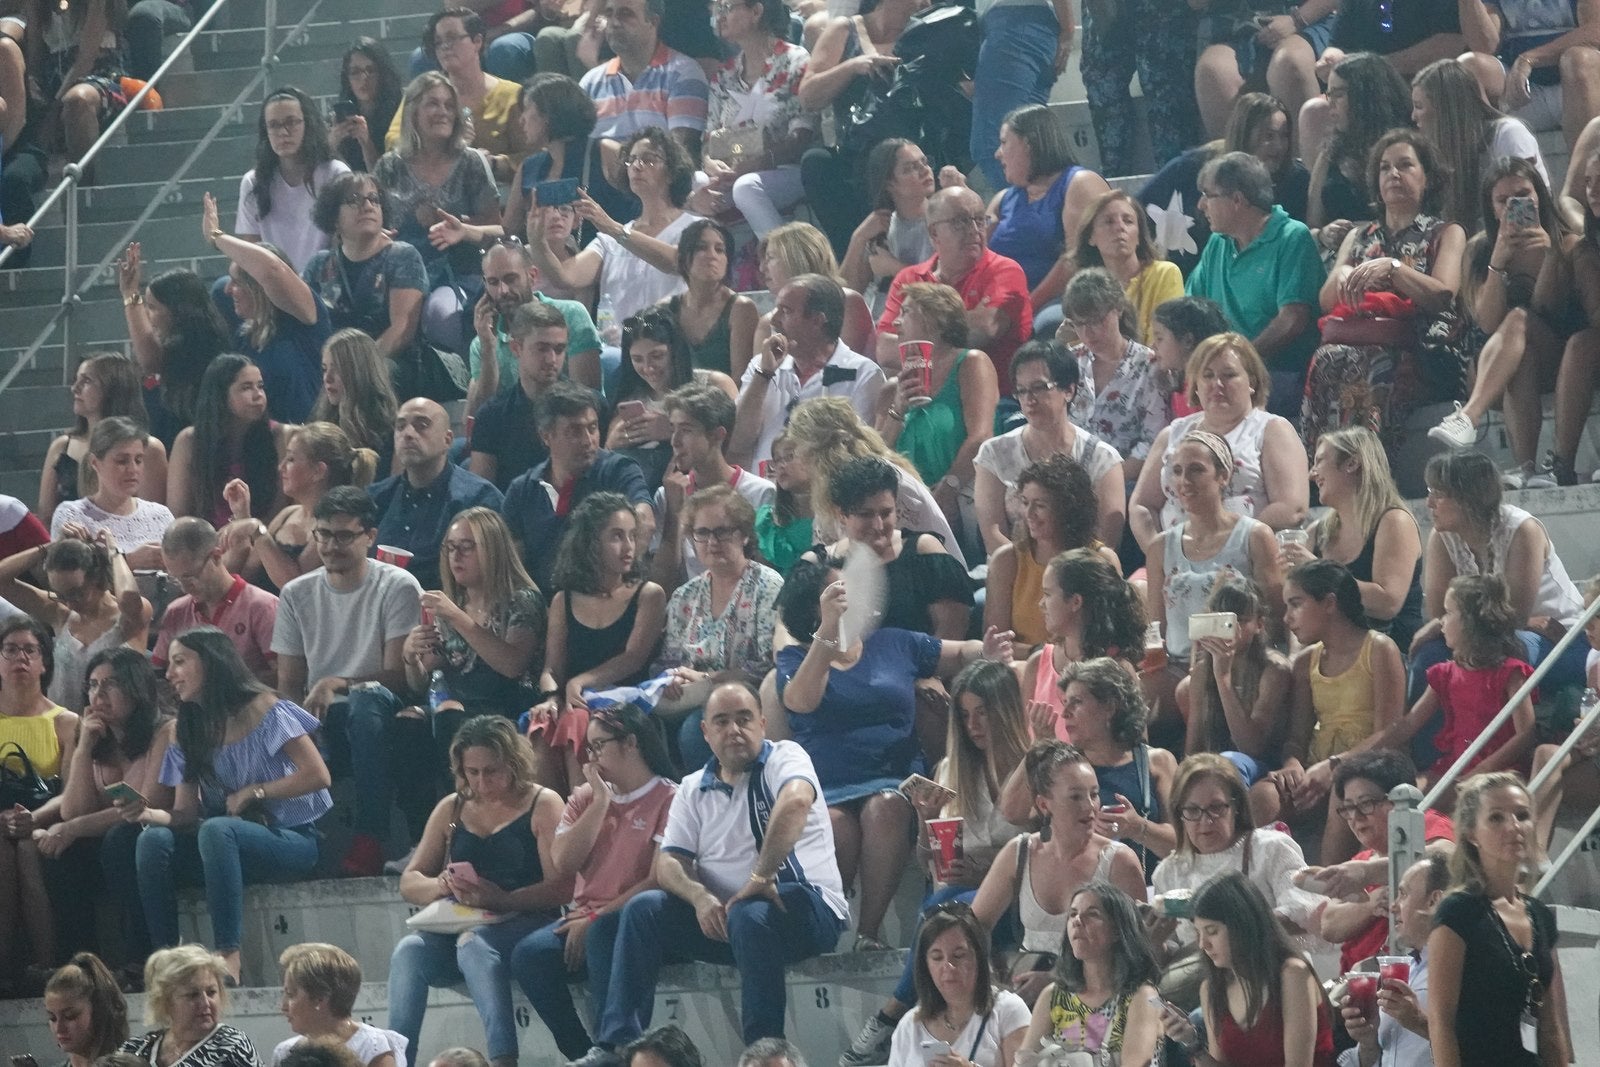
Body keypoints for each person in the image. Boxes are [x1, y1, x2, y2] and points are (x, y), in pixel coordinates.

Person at [567, 678, 848, 1067]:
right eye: (721, 721)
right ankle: (617, 1046)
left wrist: (760, 878)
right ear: (705, 731)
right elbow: (669, 861)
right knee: (645, 908)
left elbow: (796, 802)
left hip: (805, 908)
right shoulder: (691, 787)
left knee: (750, 914)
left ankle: (762, 1053)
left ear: (762, 724)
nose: (734, 730)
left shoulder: (786, 757)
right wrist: (699, 897)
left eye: (744, 719)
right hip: (728, 920)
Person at [776, 559, 1015, 949]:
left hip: (893, 779)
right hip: (830, 786)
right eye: (838, 593)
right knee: (835, 828)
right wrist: (826, 632)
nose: (850, 597)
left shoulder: (893, 643)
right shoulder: (794, 658)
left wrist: (984, 650)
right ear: (812, 607)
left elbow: (958, 654)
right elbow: (801, 702)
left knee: (885, 808)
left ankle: (868, 935)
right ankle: (823, 937)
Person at [842, 659, 1032, 1066]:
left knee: (940, 908)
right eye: (964, 715)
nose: (974, 724)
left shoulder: (1032, 766)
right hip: (955, 893)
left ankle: (889, 1013)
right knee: (942, 901)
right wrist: (927, 821)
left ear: (1007, 711)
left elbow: (1041, 849)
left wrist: (987, 873)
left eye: (983, 712)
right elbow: (931, 862)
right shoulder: (951, 768)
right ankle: (902, 1013)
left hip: (1017, 895)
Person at [126, 626, 332, 985]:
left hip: (288, 839)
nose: (170, 674)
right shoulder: (186, 728)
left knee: (218, 828)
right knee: (152, 840)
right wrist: (147, 814)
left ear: (211, 662)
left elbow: (318, 775)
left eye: (179, 662)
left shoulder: (265, 708)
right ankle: (165, 958)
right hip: (221, 848)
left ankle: (228, 954)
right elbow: (186, 812)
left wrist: (257, 791)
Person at [390, 716, 571, 1067]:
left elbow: (561, 888)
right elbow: (409, 882)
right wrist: (441, 884)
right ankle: (398, 1060)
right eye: (472, 772)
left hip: (527, 919)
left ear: (513, 764)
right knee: (408, 950)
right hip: (464, 918)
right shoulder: (453, 807)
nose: (481, 782)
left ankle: (503, 1058)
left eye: (492, 771)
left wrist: (501, 899)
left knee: (474, 943)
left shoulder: (543, 803)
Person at [511, 705, 678, 1059]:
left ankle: (611, 1048)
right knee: (529, 955)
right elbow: (563, 863)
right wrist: (601, 799)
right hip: (584, 913)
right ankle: (583, 1053)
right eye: (588, 748)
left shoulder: (670, 797)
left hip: (634, 917)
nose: (591, 757)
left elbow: (657, 880)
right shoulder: (586, 797)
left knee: (603, 933)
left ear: (631, 742)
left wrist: (595, 919)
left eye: (599, 745)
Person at [271, 486, 422, 877]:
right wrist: (296, 728)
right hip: (322, 714)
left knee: (366, 702)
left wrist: (336, 682)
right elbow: (289, 682)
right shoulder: (296, 593)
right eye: (322, 534)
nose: (330, 545)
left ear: (370, 537)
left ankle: (371, 836)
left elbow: (400, 676)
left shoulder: (397, 585)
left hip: (381, 707)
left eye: (343, 536)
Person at [1300, 128, 1468, 456]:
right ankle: (1326, 468)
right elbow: (1325, 301)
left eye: (1405, 165)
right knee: (1327, 358)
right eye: (1385, 167)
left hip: (1423, 350)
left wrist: (1394, 269)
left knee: (1374, 362)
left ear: (1428, 177)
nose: (1393, 173)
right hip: (1358, 340)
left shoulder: (1446, 232)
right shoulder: (1359, 236)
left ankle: (1367, 468)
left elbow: (1442, 295)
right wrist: (1344, 275)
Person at [1427, 158, 1583, 488]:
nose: (1516, 204)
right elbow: (1485, 322)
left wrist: (1550, 255)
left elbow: (1549, 309)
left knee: (1519, 319)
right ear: (1493, 207)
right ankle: (1526, 468)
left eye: (1524, 194)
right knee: (1518, 351)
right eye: (1503, 200)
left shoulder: (1566, 244)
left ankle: (1469, 416)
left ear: (1540, 195)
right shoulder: (1479, 250)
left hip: (1560, 360)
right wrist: (1498, 262)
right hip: (1494, 367)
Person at [970, 741, 1147, 1003]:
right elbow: (974, 926)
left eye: (1094, 794)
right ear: (1044, 804)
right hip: (1026, 997)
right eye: (1076, 796)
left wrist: (1056, 979)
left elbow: (1136, 950)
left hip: (1100, 999)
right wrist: (992, 975)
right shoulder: (1019, 852)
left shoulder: (1119, 861)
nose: (1090, 806)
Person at [1407, 450, 1586, 703]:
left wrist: (1449, 622)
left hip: (1560, 637)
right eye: (1429, 491)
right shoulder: (1443, 536)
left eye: (1438, 494)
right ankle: (1425, 742)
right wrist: (1438, 625)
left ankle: (1506, 738)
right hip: (1492, 634)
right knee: (1429, 655)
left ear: (1467, 498)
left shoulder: (1522, 530)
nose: (1429, 503)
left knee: (1506, 651)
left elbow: (1512, 617)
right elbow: (1441, 614)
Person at [1150, 755, 1324, 1009]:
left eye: (1216, 808)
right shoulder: (1170, 871)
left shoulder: (1270, 849)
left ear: (1237, 807)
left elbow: (1306, 912)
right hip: (1202, 994)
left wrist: (1236, 929)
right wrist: (1155, 942)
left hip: (1274, 982)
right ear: (1179, 815)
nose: (1205, 821)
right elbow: (1174, 958)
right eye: (1193, 811)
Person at [1427, 771, 1568, 1067]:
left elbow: (1551, 1025)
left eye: (1522, 815)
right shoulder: (1458, 912)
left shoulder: (1539, 915)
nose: (1513, 826)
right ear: (1470, 834)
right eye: (1496, 818)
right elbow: (1441, 1021)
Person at [47, 650, 175, 972]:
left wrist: (74, 827)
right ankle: (80, 967)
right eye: (92, 685)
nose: (98, 695)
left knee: (120, 838)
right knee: (63, 854)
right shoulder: (96, 736)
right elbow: (73, 810)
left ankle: (139, 958)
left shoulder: (165, 731)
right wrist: (84, 747)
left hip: (160, 833)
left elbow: (147, 803)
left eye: (110, 684)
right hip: (111, 841)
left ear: (136, 688)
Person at [529, 492, 666, 794]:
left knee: (577, 720)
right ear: (590, 542)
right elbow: (552, 666)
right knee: (542, 722)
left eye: (632, 535)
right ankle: (554, 822)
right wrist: (551, 697)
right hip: (573, 700)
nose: (628, 546)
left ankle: (584, 816)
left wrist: (580, 682)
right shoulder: (564, 599)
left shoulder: (648, 594)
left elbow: (633, 658)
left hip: (627, 701)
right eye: (616, 536)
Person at [1144, 431, 1283, 726]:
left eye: (1196, 470)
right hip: (1179, 665)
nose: (1184, 481)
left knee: (1190, 691)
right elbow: (1156, 628)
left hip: (1238, 667)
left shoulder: (1255, 536)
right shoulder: (1160, 546)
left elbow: (1274, 617)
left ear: (1223, 476)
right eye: (1177, 471)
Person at [1270, 560, 1406, 861]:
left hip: (1371, 767)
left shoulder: (1379, 649)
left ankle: (1328, 888)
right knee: (1263, 795)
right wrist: (1293, 763)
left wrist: (1335, 766)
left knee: (1344, 789)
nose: (1287, 618)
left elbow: (1390, 732)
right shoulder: (1306, 662)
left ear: (1329, 602)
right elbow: (1297, 735)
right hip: (1319, 767)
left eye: (1296, 604)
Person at [1129, 333, 1309, 548]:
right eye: (1207, 375)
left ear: (1251, 382)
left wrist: (1222, 544)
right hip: (1174, 558)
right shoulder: (1172, 434)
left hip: (1249, 556)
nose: (1217, 384)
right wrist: (1158, 552)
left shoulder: (1272, 429)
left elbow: (1292, 508)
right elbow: (1142, 506)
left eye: (1229, 375)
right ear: (1195, 384)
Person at [1185, 152, 1326, 417]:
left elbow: (1292, 320)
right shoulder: (1218, 243)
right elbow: (1191, 309)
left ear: (1237, 200)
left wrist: (1241, 359)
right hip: (1225, 371)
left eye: (1208, 195)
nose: (1201, 205)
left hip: (1280, 372)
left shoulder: (1292, 237)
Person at [373, 72, 504, 356]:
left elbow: (498, 230)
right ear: (413, 111)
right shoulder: (389, 166)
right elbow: (374, 226)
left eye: (448, 105)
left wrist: (463, 231)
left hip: (455, 272)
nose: (443, 112)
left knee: (439, 315)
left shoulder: (471, 162)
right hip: (397, 274)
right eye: (433, 103)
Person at [401, 507, 546, 756]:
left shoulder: (522, 600)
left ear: (493, 550)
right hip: (455, 705)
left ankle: (465, 794)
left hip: (505, 708)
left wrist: (458, 617)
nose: (455, 555)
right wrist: (411, 657)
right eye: (450, 547)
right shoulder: (453, 605)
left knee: (448, 716)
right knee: (408, 720)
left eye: (466, 547)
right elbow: (421, 684)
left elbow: (512, 665)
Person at [527, 127, 699, 333]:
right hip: (615, 351)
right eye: (632, 160)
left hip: (668, 347)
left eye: (649, 159)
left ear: (672, 172)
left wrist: (613, 228)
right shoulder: (607, 241)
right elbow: (565, 276)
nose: (637, 165)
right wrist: (537, 241)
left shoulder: (695, 227)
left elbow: (676, 262)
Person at [1157, 871, 1337, 1067]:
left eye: (1212, 931)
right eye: (1198, 933)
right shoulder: (1211, 989)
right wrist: (1192, 1042)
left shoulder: (1292, 974)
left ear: (1243, 927)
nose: (1203, 944)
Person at [1385, 575, 1537, 797]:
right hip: (1455, 767)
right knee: (1399, 797)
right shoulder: (1445, 674)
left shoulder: (1511, 673)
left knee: (1424, 803)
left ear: (1471, 621)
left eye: (1448, 612)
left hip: (1498, 773)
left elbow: (1526, 734)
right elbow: (1408, 724)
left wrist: (1479, 772)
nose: (1441, 621)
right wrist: (1359, 755)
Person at [798, 3, 928, 256]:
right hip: (856, 153)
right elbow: (808, 97)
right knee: (816, 163)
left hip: (914, 150)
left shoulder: (926, 29)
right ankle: (853, 257)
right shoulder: (845, 29)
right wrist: (854, 66)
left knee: (905, 163)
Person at [877, 186, 1033, 396]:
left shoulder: (1004, 270)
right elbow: (886, 350)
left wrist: (917, 331)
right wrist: (959, 325)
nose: (974, 230)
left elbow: (984, 331)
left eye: (979, 219)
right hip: (925, 398)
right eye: (960, 221)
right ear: (934, 233)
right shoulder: (909, 279)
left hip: (994, 398)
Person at [501, 382, 656, 592]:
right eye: (574, 431)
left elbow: (644, 521)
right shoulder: (522, 490)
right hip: (542, 606)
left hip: (607, 597)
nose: (588, 440)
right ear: (546, 436)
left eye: (592, 428)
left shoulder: (618, 470)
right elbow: (512, 565)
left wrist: (614, 586)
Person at [975, 341, 1125, 555]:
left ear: (1069, 390)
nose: (1029, 400)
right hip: (1015, 572)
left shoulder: (1102, 458)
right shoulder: (994, 454)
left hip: (1081, 574)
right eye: (1021, 391)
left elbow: (1105, 541)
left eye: (1039, 388)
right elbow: (993, 535)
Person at [1280, 427, 1424, 650]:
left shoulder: (1394, 521)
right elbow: (1300, 607)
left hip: (1391, 657)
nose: (1312, 473)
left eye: (1319, 461)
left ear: (1351, 464)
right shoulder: (1316, 532)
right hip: (1330, 659)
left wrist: (1318, 571)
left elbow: (1388, 604)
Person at [1312, 750, 1454, 975]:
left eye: (1366, 803)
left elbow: (1445, 857)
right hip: (1359, 984)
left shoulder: (1426, 824)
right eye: (1348, 807)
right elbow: (1329, 924)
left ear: (1397, 800)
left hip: (1416, 975)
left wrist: (1369, 873)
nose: (1356, 817)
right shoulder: (1361, 859)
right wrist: (1372, 903)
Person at [300, 173, 439, 403]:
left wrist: (358, 370)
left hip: (390, 359)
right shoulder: (319, 265)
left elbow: (402, 330)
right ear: (334, 217)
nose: (367, 206)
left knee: (381, 376)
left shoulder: (402, 256)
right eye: (355, 199)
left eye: (374, 199)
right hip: (334, 363)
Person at [1139, 93, 1311, 278]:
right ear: (1244, 134)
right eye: (1268, 136)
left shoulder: (1296, 181)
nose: (1279, 146)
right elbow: (1135, 210)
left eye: (1284, 136)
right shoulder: (1192, 166)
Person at [802, 454, 973, 639]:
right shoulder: (817, 563)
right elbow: (787, 634)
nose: (878, 525)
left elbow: (952, 630)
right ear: (842, 515)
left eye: (886, 513)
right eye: (865, 514)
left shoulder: (924, 552)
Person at [730, 275, 886, 470]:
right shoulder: (760, 366)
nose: (774, 319)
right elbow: (738, 440)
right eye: (775, 308)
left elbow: (861, 454)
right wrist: (764, 375)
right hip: (765, 491)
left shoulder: (864, 374)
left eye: (785, 311)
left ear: (817, 321)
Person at [972, 104, 1110, 321]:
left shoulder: (1080, 183)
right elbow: (976, 254)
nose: (998, 154)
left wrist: (1028, 305)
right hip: (1002, 301)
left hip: (1063, 298)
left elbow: (1076, 259)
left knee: (1050, 321)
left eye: (1004, 142)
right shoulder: (1002, 200)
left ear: (1028, 144)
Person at [202, 193, 332, 424]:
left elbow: (271, 268)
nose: (227, 290)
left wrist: (216, 237)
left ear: (259, 287)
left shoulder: (303, 317)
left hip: (308, 439)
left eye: (237, 282)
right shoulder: (245, 335)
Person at [876, 281, 999, 523]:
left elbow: (982, 436)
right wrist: (898, 410)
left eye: (906, 312)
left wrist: (949, 486)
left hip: (961, 492)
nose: (896, 322)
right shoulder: (892, 389)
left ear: (936, 319)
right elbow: (876, 455)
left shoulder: (971, 363)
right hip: (903, 504)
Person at [695, 0, 817, 239]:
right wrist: (710, 161)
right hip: (735, 170)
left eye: (726, 7)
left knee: (747, 188)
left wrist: (755, 159)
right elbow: (709, 141)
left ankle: (787, 262)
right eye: (716, 9)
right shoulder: (724, 74)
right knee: (699, 181)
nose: (718, 16)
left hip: (787, 169)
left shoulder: (795, 59)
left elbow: (801, 136)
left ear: (756, 11)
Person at [653, 485, 782, 704]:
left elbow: (769, 666)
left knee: (693, 730)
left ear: (744, 535)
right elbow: (667, 662)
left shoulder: (769, 586)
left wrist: (707, 680)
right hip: (685, 700)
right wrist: (671, 680)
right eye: (702, 533)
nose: (712, 542)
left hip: (744, 701)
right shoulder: (685, 595)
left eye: (722, 531)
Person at [0, 615, 76, 985]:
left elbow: (75, 793)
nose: (21, 658)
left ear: (45, 662)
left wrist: (34, 817)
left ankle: (45, 966)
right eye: (10, 649)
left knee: (27, 847)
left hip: (46, 817)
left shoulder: (67, 722)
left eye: (30, 650)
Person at [578, 0, 709, 214]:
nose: (614, 22)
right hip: (598, 194)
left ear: (653, 21)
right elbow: (576, 151)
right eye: (609, 14)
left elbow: (679, 152)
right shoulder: (591, 82)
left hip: (656, 190)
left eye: (625, 14)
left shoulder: (683, 73)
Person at [1014, 883, 1163, 1067]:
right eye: (1073, 914)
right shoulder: (1054, 995)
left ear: (1118, 931)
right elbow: (1024, 1062)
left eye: (1093, 914)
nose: (1077, 920)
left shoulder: (1144, 996)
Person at [219, 421, 376, 595]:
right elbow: (248, 572)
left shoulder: (333, 525)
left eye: (291, 459)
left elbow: (295, 583)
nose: (281, 467)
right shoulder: (288, 514)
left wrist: (257, 530)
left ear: (318, 471)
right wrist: (242, 515)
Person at [0, 534, 150, 713]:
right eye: (61, 595)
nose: (69, 603)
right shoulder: (60, 615)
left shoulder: (127, 618)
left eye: (76, 593)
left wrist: (114, 552)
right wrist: (52, 547)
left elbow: (128, 596)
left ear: (96, 578)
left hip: (117, 731)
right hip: (64, 729)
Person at [370, 398, 504, 592]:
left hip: (449, 611)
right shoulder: (376, 497)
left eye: (421, 425)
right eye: (400, 427)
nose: (408, 434)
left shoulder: (478, 499)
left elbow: (492, 580)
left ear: (447, 440)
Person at [985, 455, 1114, 653]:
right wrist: (1044, 656)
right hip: (1020, 669)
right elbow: (996, 644)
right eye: (1025, 502)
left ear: (1068, 509)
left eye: (1040, 505)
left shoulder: (1101, 560)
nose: (1029, 514)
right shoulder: (1006, 560)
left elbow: (1111, 637)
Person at [1337, 852, 1450, 1067]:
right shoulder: (1403, 970)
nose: (1393, 906)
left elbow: (1484, 1051)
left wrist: (1420, 1024)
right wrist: (1369, 1041)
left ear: (1434, 901)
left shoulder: (1465, 970)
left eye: (1403, 895)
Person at [467, 236, 602, 416]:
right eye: (493, 282)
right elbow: (478, 415)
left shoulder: (571, 315)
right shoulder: (481, 343)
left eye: (510, 279)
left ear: (532, 276)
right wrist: (488, 347)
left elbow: (588, 397)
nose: (502, 291)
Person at [1411, 57, 1547, 234]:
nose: (1413, 116)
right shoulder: (1441, 151)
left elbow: (1524, 216)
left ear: (1445, 110)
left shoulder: (1508, 134)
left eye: (1419, 106)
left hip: (1523, 241)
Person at [385, 9, 527, 178]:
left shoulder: (512, 95)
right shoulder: (421, 92)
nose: (444, 46)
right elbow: (393, 140)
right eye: (438, 42)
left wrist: (492, 163)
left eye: (452, 38)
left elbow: (533, 155)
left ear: (477, 41)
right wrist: (436, 143)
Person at [885, 904, 1031, 1067]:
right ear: (925, 965)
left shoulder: (1008, 1010)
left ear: (979, 957)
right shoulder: (910, 1025)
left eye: (959, 956)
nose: (948, 966)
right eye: (937, 958)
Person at [607, 308, 735, 491]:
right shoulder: (630, 400)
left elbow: (736, 446)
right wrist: (611, 445)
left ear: (675, 351)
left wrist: (672, 430)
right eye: (637, 359)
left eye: (657, 356)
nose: (648, 368)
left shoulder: (714, 384)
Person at [40, 352, 168, 529]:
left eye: (86, 381)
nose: (74, 388)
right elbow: (46, 516)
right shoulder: (61, 446)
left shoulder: (149, 448)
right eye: (77, 380)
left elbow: (151, 523)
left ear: (113, 388)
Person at [1020, 549, 1148, 725]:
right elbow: (1025, 742)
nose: (1041, 603)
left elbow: (1136, 745)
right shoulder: (1036, 665)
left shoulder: (1118, 670)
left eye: (1048, 594)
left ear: (1076, 602)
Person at [116, 253, 232, 447]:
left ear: (178, 310)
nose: (147, 315)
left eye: (153, 308)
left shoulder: (201, 342)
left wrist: (130, 296)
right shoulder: (175, 340)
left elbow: (150, 360)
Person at [1062, 268, 1165, 482]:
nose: (1088, 333)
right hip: (1068, 479)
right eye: (1079, 324)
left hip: (1125, 481)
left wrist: (1105, 482)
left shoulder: (1149, 365)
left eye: (1097, 321)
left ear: (1118, 309)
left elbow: (1152, 443)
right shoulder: (1069, 361)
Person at [1457, 0, 1600, 152]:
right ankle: (1478, 171)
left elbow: (1595, 31)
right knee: (1468, 68)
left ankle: (1583, 171)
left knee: (1579, 60)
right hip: (1520, 91)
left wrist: (1530, 59)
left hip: (1577, 86)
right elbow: (1485, 46)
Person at [237, 87, 350, 274]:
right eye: (274, 125)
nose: (283, 132)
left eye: (291, 122)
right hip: (274, 283)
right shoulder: (252, 182)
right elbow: (250, 249)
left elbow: (346, 241)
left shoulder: (335, 173)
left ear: (308, 124)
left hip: (324, 279)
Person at [966, 0, 1074, 194]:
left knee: (990, 144)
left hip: (1012, 26)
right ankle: (1052, 212)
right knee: (1031, 148)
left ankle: (1028, 214)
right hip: (1035, 28)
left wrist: (1068, 30)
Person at [154, 518, 279, 685]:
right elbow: (159, 676)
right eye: (175, 579)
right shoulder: (177, 611)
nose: (185, 588)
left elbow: (284, 676)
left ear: (216, 556)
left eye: (191, 577)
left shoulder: (262, 606)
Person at [469, 301, 577, 490]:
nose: (552, 359)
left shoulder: (587, 408)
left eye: (559, 349)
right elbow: (480, 497)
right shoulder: (492, 416)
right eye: (542, 348)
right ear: (516, 348)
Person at [1305, 52, 1412, 233]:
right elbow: (1312, 224)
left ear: (1366, 95)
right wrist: (1324, 235)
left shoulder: (1407, 148)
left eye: (1338, 94)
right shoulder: (1331, 152)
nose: (1330, 104)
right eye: (1329, 94)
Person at [49, 416, 176, 567]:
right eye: (122, 461)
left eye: (138, 460)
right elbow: (68, 581)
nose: (133, 469)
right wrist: (128, 561)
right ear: (95, 463)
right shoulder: (72, 515)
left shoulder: (160, 515)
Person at [1066, 189, 1185, 347]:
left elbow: (1164, 344)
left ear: (1139, 237)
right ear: (1091, 237)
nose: (1120, 227)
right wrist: (1066, 340)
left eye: (1128, 221)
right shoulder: (1085, 285)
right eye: (1109, 222)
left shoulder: (1165, 273)